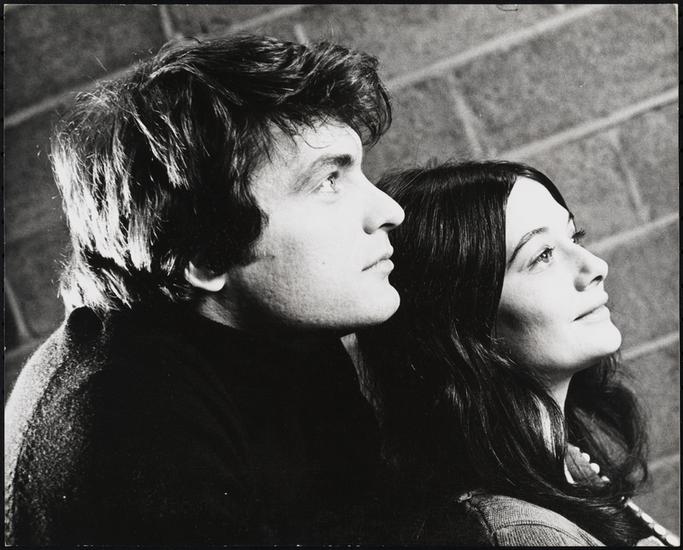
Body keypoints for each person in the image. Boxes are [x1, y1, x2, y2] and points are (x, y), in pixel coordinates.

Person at [4, 34, 405, 545]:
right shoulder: (128, 428)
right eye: (328, 181)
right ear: (204, 254)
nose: (390, 212)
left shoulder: (280, 330)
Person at [356, 161, 678, 546]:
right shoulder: (522, 533)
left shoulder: (565, 461)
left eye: (574, 237)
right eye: (542, 256)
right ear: (463, 319)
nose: (595, 266)